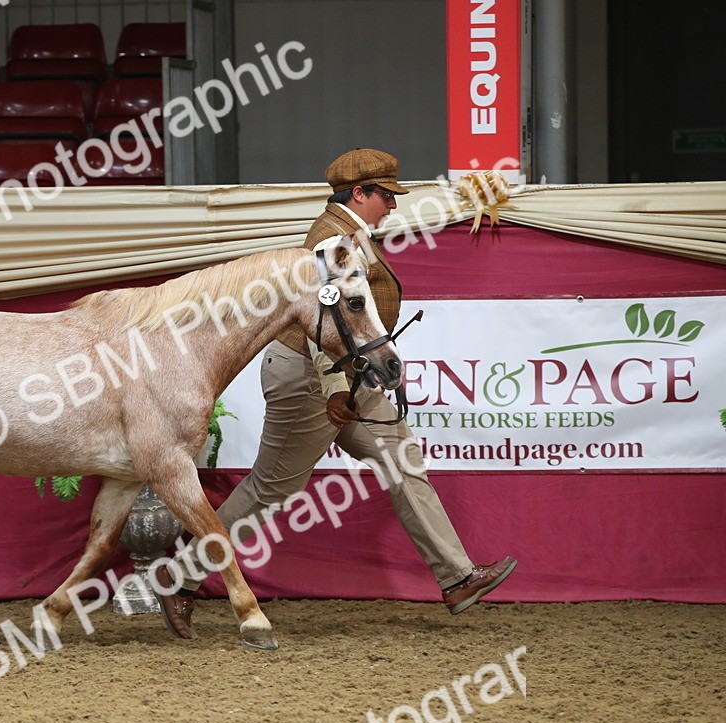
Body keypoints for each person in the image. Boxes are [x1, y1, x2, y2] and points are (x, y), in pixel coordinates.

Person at [155, 148, 516, 640]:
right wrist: (333, 390)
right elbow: (321, 325)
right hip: (312, 378)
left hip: (348, 377)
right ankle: (181, 576)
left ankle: (457, 577)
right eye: (386, 195)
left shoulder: (350, 235)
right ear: (360, 193)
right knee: (271, 487)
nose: (394, 204)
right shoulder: (330, 241)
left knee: (402, 459)